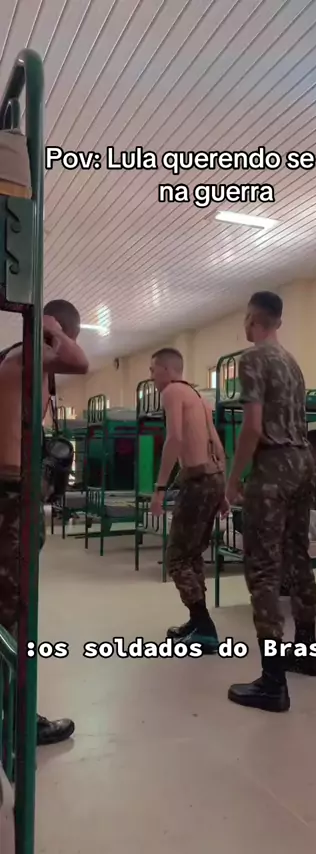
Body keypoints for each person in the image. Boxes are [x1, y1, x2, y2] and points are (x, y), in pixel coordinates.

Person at [224, 291, 316, 714]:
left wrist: (233, 480)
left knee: (263, 567)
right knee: (298, 556)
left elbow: (252, 427)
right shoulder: (292, 363)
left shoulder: (252, 358)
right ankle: (307, 652)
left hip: (274, 465)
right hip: (304, 463)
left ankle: (272, 681)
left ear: (252, 320)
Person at [0, 299, 89, 745]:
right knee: (14, 613)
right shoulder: (26, 355)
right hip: (11, 496)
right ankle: (19, 722)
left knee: (9, 608)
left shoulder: (14, 361)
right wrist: (50, 327)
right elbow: (80, 361)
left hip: (13, 492)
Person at [149, 348, 226, 651]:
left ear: (168, 370)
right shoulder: (199, 397)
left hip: (197, 480)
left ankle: (204, 627)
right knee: (192, 555)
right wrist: (221, 489)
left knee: (177, 558)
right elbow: (217, 444)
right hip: (212, 476)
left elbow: (175, 439)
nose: (152, 376)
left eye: (154, 369)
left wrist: (160, 487)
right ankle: (197, 622)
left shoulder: (171, 392)